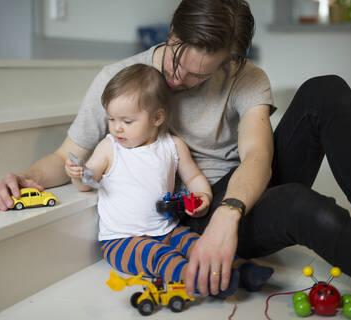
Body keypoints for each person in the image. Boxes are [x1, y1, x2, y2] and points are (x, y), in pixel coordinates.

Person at [0, 0, 351, 312]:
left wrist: (230, 213)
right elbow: (67, 155)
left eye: (198, 74)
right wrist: (26, 178)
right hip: (190, 213)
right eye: (177, 59)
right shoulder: (121, 80)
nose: (178, 78)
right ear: (173, 30)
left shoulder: (246, 77)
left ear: (230, 60)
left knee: (326, 90)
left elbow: (256, 158)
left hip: (240, 195)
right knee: (305, 210)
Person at [64, 63, 273, 297]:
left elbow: (193, 176)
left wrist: (203, 196)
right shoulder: (109, 148)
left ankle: (241, 269)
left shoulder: (172, 146)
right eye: (112, 119)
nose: (117, 128)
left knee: (197, 243)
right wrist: (80, 175)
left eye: (127, 121)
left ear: (157, 117)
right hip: (122, 240)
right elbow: (88, 180)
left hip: (167, 229)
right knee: (161, 258)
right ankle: (201, 279)